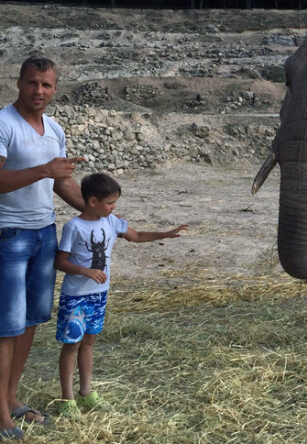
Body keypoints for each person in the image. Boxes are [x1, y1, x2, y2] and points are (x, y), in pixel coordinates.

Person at [54, 172, 188, 418]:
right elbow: (60, 261)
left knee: (89, 342)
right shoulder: (74, 227)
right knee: (71, 345)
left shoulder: (112, 222)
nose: (114, 207)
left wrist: (166, 234)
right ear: (93, 201)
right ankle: (67, 399)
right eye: (110, 203)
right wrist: (85, 270)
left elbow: (135, 236)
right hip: (76, 296)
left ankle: (86, 392)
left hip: (99, 294)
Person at [0, 56, 86, 441]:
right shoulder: (3, 123)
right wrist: (44, 170)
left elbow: (60, 183)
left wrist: (97, 212)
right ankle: (1, 413)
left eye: (46, 85)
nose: (39, 91)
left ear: (55, 89)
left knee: (31, 320)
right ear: (18, 82)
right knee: (6, 325)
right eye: (33, 83)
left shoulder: (54, 129)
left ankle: (11, 396)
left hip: (43, 233)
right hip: (8, 234)